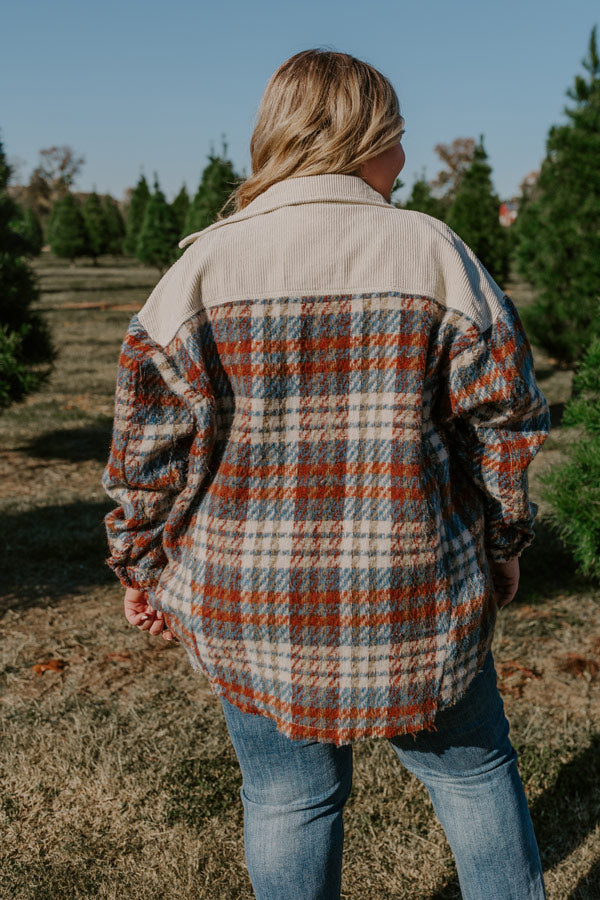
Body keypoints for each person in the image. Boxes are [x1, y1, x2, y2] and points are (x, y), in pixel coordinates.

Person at [102, 49, 550, 900]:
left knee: (287, 798)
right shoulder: (433, 253)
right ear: (363, 136)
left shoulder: (198, 271)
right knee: (472, 775)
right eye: (398, 138)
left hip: (248, 601)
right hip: (415, 592)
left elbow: (144, 453)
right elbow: (506, 420)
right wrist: (503, 542)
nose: (405, 161)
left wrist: (142, 563)